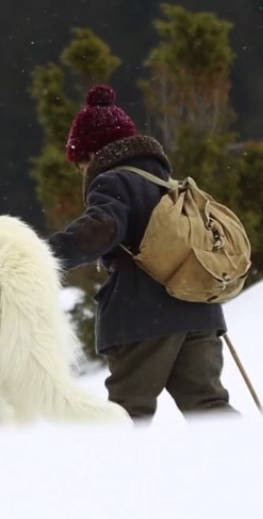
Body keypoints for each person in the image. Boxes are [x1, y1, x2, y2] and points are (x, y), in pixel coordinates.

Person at [46, 84, 239, 425]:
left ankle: (120, 479)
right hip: (199, 313)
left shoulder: (112, 181)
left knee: (127, 416)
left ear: (93, 153)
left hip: (143, 317)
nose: (81, 171)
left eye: (80, 162)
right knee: (210, 409)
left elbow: (101, 229)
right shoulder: (170, 183)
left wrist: (43, 257)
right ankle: (248, 471)